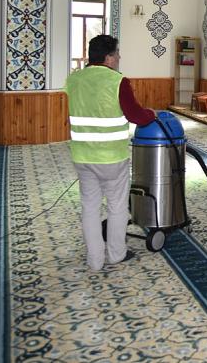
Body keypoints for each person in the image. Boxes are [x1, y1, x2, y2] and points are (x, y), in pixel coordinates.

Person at [65, 34, 156, 270]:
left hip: (82, 157)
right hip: (111, 158)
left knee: (90, 207)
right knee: (117, 207)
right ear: (108, 58)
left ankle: (94, 260)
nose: (119, 57)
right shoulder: (118, 81)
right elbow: (135, 116)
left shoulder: (74, 80)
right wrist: (151, 114)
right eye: (117, 54)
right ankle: (116, 254)